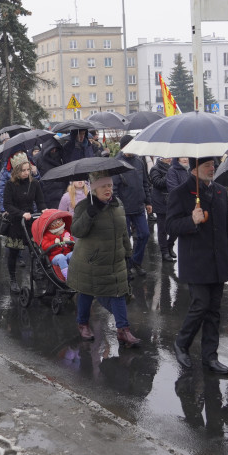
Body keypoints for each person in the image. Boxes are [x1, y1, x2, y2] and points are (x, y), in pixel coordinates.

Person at [168, 156, 228, 376]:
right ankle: (181, 343)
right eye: (208, 165)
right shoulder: (180, 193)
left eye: (213, 165)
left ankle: (210, 357)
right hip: (196, 261)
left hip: (218, 261)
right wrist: (191, 221)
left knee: (214, 311)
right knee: (200, 305)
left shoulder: (219, 190)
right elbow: (170, 226)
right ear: (195, 168)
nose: (212, 169)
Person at [68, 170, 140, 347]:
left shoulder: (118, 204)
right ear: (94, 188)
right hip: (90, 260)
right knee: (86, 292)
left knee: (118, 292)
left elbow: (124, 232)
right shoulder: (84, 206)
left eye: (109, 185)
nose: (108, 189)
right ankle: (83, 324)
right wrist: (90, 214)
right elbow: (76, 231)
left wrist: (129, 254)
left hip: (115, 259)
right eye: (103, 186)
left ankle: (124, 331)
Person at [1, 153, 45, 293]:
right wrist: (20, 214)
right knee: (13, 253)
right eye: (23, 170)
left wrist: (44, 210)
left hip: (30, 221)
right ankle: (13, 279)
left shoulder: (35, 183)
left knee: (36, 250)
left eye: (28, 169)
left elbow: (40, 201)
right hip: (15, 222)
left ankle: (37, 272)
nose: (26, 173)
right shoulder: (10, 185)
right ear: (16, 171)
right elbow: (7, 204)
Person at [112, 135, 153, 275]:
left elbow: (145, 183)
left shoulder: (138, 161)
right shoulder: (116, 163)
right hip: (123, 209)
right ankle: (126, 267)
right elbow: (114, 190)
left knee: (145, 234)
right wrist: (118, 207)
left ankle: (136, 262)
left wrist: (148, 201)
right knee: (125, 240)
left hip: (139, 206)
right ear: (123, 147)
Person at [148, 158, 176, 262]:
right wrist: (170, 174)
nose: (169, 158)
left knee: (175, 227)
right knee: (163, 229)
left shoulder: (174, 167)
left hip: (173, 201)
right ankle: (164, 251)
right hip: (161, 201)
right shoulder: (155, 169)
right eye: (166, 157)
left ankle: (170, 245)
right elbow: (157, 183)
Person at [41, 215, 74, 281]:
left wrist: (69, 241)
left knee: (73, 254)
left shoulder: (65, 233)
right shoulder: (47, 236)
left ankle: (77, 273)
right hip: (54, 257)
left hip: (66, 254)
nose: (64, 229)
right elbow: (44, 247)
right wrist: (53, 242)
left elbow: (72, 244)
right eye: (62, 229)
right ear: (55, 231)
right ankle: (67, 277)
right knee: (61, 257)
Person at [36, 138, 66, 209]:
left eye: (55, 149)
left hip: (59, 191)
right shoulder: (37, 159)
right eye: (52, 149)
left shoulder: (60, 156)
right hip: (46, 193)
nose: (54, 151)